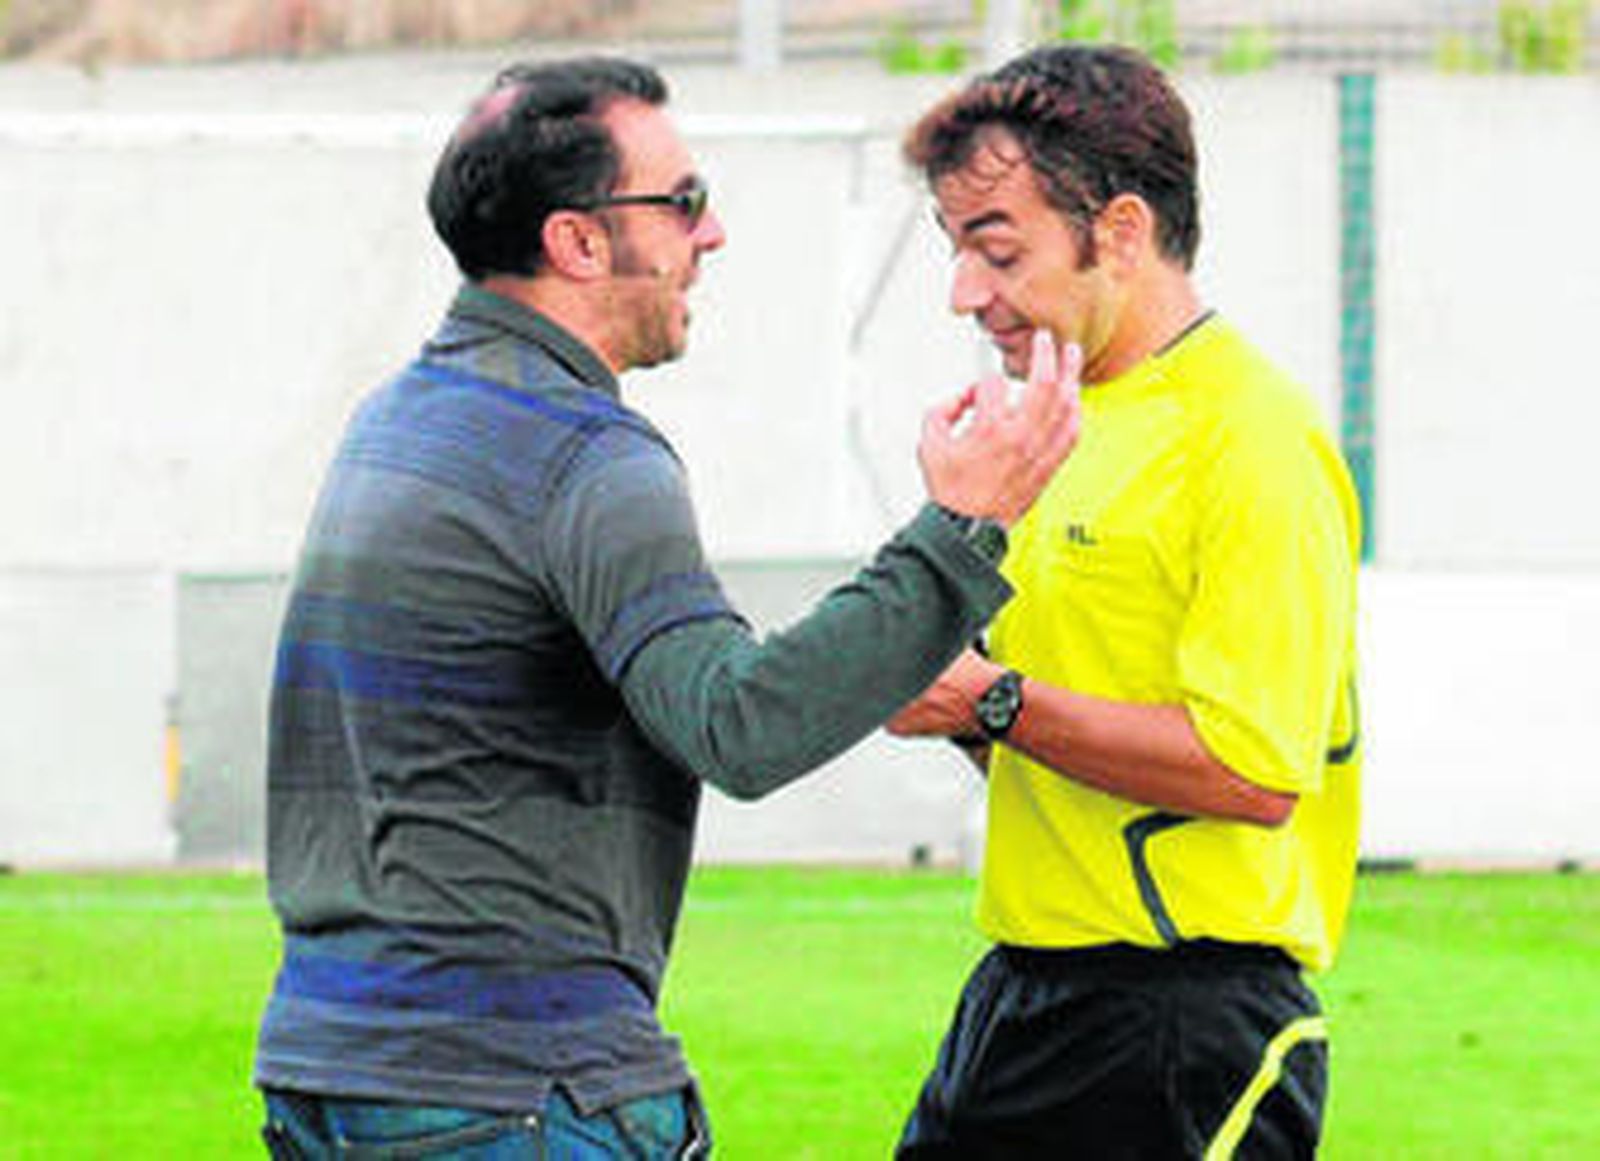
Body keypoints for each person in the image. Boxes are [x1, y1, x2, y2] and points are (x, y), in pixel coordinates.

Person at [252, 57, 1082, 1159]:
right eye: (683, 203)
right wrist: (959, 531)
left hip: (332, 1071)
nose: (714, 234)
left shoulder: (399, 419)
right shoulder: (583, 454)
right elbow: (740, 725)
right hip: (512, 1091)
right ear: (578, 243)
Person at [887, 44, 1363, 1159]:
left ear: (1122, 232)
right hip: (1019, 997)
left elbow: (1250, 770)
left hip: (1184, 1026)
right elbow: (1030, 737)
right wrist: (947, 683)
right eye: (956, 251)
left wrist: (992, 699)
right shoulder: (1051, 426)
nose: (964, 293)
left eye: (994, 250)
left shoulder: (1251, 438)